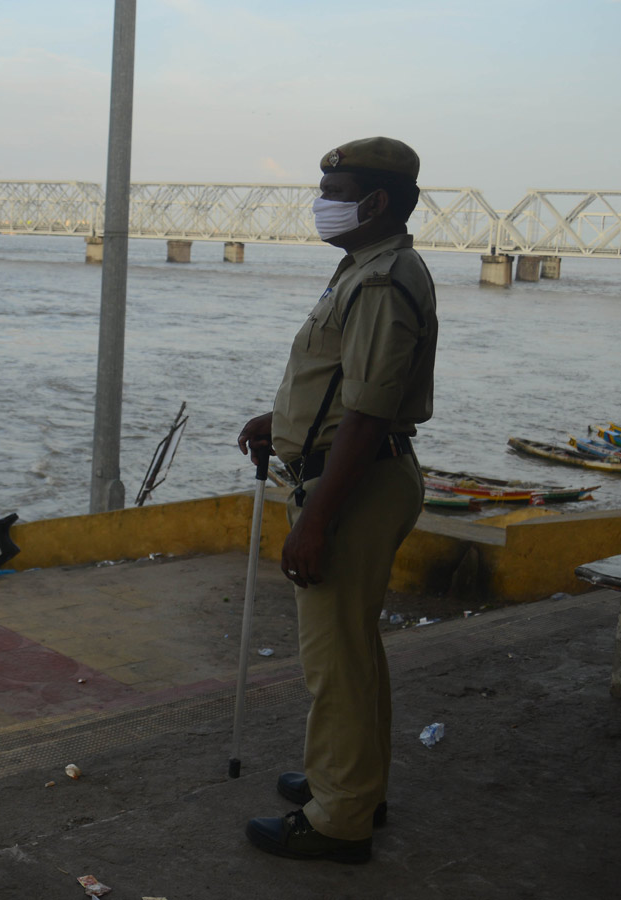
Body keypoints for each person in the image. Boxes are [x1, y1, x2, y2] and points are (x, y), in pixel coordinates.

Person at [237, 136, 438, 863]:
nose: (321, 207)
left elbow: (368, 414)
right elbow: (340, 384)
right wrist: (280, 424)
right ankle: (352, 782)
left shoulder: (382, 282)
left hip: (354, 486)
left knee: (335, 662)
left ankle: (340, 818)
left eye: (334, 192)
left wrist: (315, 523)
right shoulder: (364, 269)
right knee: (354, 650)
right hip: (357, 473)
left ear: (375, 202)